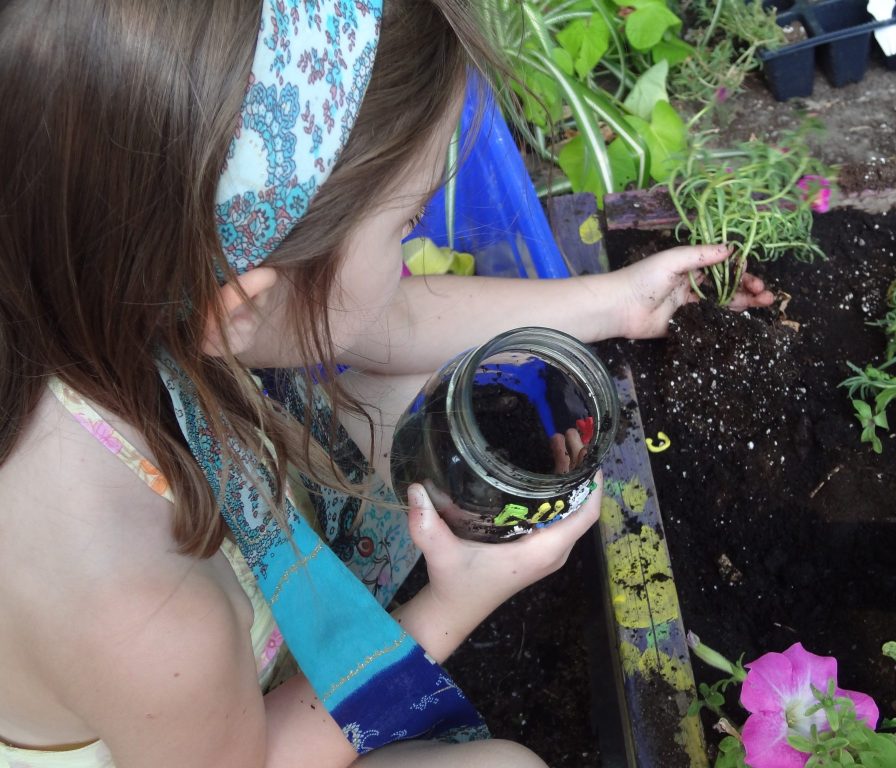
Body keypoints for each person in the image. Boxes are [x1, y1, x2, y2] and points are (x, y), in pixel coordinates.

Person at [0, 1, 773, 767]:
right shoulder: (146, 613)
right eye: (407, 225)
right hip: (206, 738)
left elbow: (382, 323)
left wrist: (617, 304)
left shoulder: (100, 274)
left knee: (419, 395)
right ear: (246, 305)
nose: (414, 244)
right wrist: (455, 602)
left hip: (208, 648)